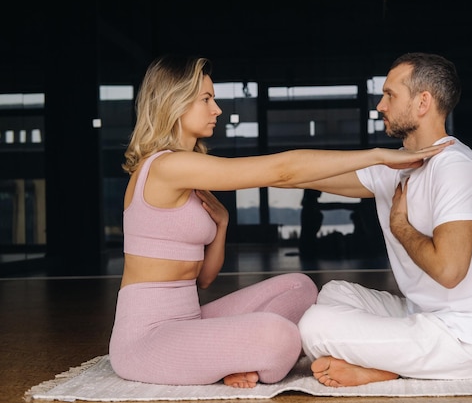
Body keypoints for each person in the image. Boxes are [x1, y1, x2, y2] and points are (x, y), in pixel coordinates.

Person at [108, 54, 453, 389]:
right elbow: (283, 170)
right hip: (146, 339)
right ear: (176, 103)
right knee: (281, 338)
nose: (217, 109)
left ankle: (227, 355)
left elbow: (204, 279)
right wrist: (379, 154)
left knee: (298, 288)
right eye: (206, 99)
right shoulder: (167, 167)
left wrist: (223, 224)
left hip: (188, 319)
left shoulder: (188, 168)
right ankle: (234, 355)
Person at [296, 52, 472, 387]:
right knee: (333, 293)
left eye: (390, 95)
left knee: (314, 325)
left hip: (466, 338)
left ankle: (388, 369)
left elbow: (449, 271)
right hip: (421, 315)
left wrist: (401, 226)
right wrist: (231, 171)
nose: (381, 106)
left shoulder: (455, 167)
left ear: (422, 102)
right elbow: (305, 175)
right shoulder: (397, 165)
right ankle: (391, 361)